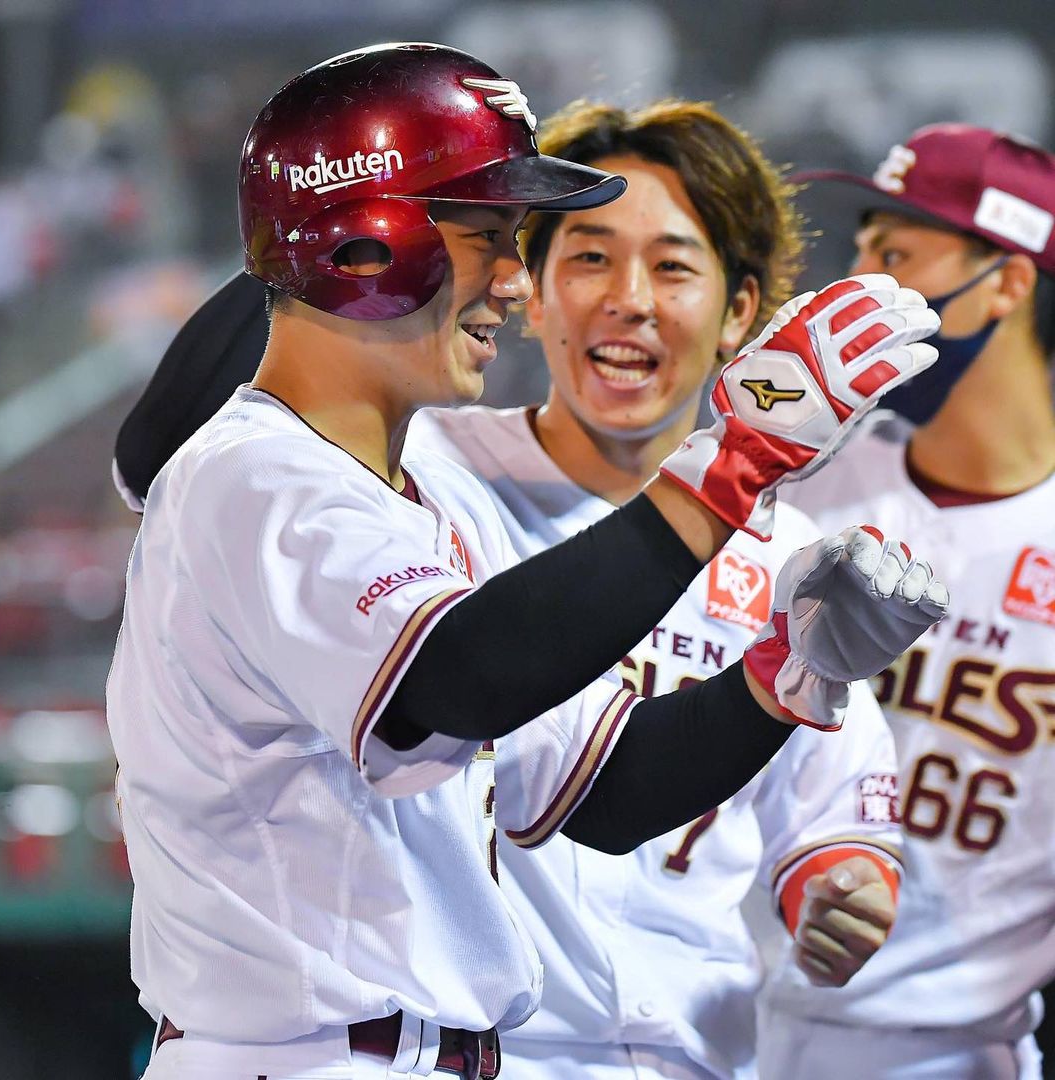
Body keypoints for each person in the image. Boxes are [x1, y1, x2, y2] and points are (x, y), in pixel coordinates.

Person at [108, 44, 946, 1080]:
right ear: (367, 245)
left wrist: (785, 677)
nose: (514, 280)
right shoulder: (257, 473)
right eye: (488, 237)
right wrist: (733, 461)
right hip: (309, 1058)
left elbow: (613, 788)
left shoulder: (409, 508)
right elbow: (465, 675)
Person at [757, 124, 1055, 1080]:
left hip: (951, 1048)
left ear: (1008, 282)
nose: (860, 287)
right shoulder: (806, 474)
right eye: (859, 253)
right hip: (728, 1013)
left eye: (894, 257)